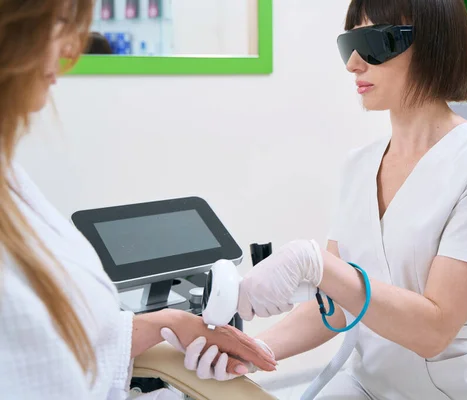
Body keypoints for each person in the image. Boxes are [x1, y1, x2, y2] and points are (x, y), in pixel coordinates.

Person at [166, 0, 467, 399]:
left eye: (374, 42)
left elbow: (433, 331)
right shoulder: (360, 166)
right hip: (367, 385)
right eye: (349, 44)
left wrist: (314, 262)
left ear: (435, 44)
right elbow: (336, 306)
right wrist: (254, 351)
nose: (354, 64)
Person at [0, 1, 276, 399]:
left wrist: (171, 323)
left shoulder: (14, 180)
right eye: (59, 23)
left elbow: (76, 339)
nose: (68, 52)